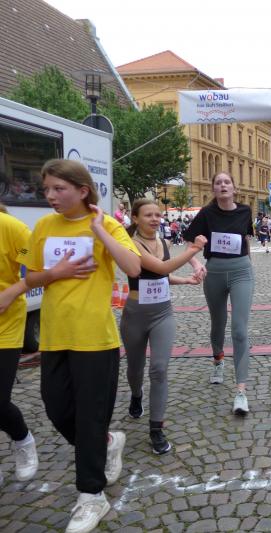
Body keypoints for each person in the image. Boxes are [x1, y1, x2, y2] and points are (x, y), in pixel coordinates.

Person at [18, 159, 141, 533]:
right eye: (46, 189)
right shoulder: (44, 226)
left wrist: (100, 230)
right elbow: (29, 276)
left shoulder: (107, 225)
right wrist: (56, 273)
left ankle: (92, 496)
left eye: (59, 188)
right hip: (55, 336)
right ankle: (107, 442)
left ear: (82, 190)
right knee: (56, 408)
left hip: (95, 339)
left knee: (88, 418)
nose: (50, 196)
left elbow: (133, 268)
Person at [121, 199, 205, 455]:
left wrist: (187, 281)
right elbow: (160, 267)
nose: (155, 219)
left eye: (158, 215)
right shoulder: (131, 243)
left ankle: (156, 428)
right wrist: (193, 250)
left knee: (159, 369)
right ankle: (136, 395)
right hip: (135, 314)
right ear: (136, 218)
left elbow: (164, 276)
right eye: (148, 215)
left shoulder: (164, 243)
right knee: (135, 368)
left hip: (162, 313)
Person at [183, 172, 255, 415]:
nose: (223, 185)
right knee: (218, 322)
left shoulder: (245, 211)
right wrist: (196, 264)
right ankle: (218, 360)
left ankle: (241, 392)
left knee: (239, 329)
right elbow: (188, 243)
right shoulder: (206, 213)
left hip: (241, 272)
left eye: (227, 182)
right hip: (213, 272)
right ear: (213, 189)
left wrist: (248, 264)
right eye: (218, 183)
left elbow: (245, 240)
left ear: (234, 188)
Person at [0, 204, 39, 486]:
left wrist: (12, 291)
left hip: (5, 324)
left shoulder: (10, 227)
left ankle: (23, 439)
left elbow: (36, 266)